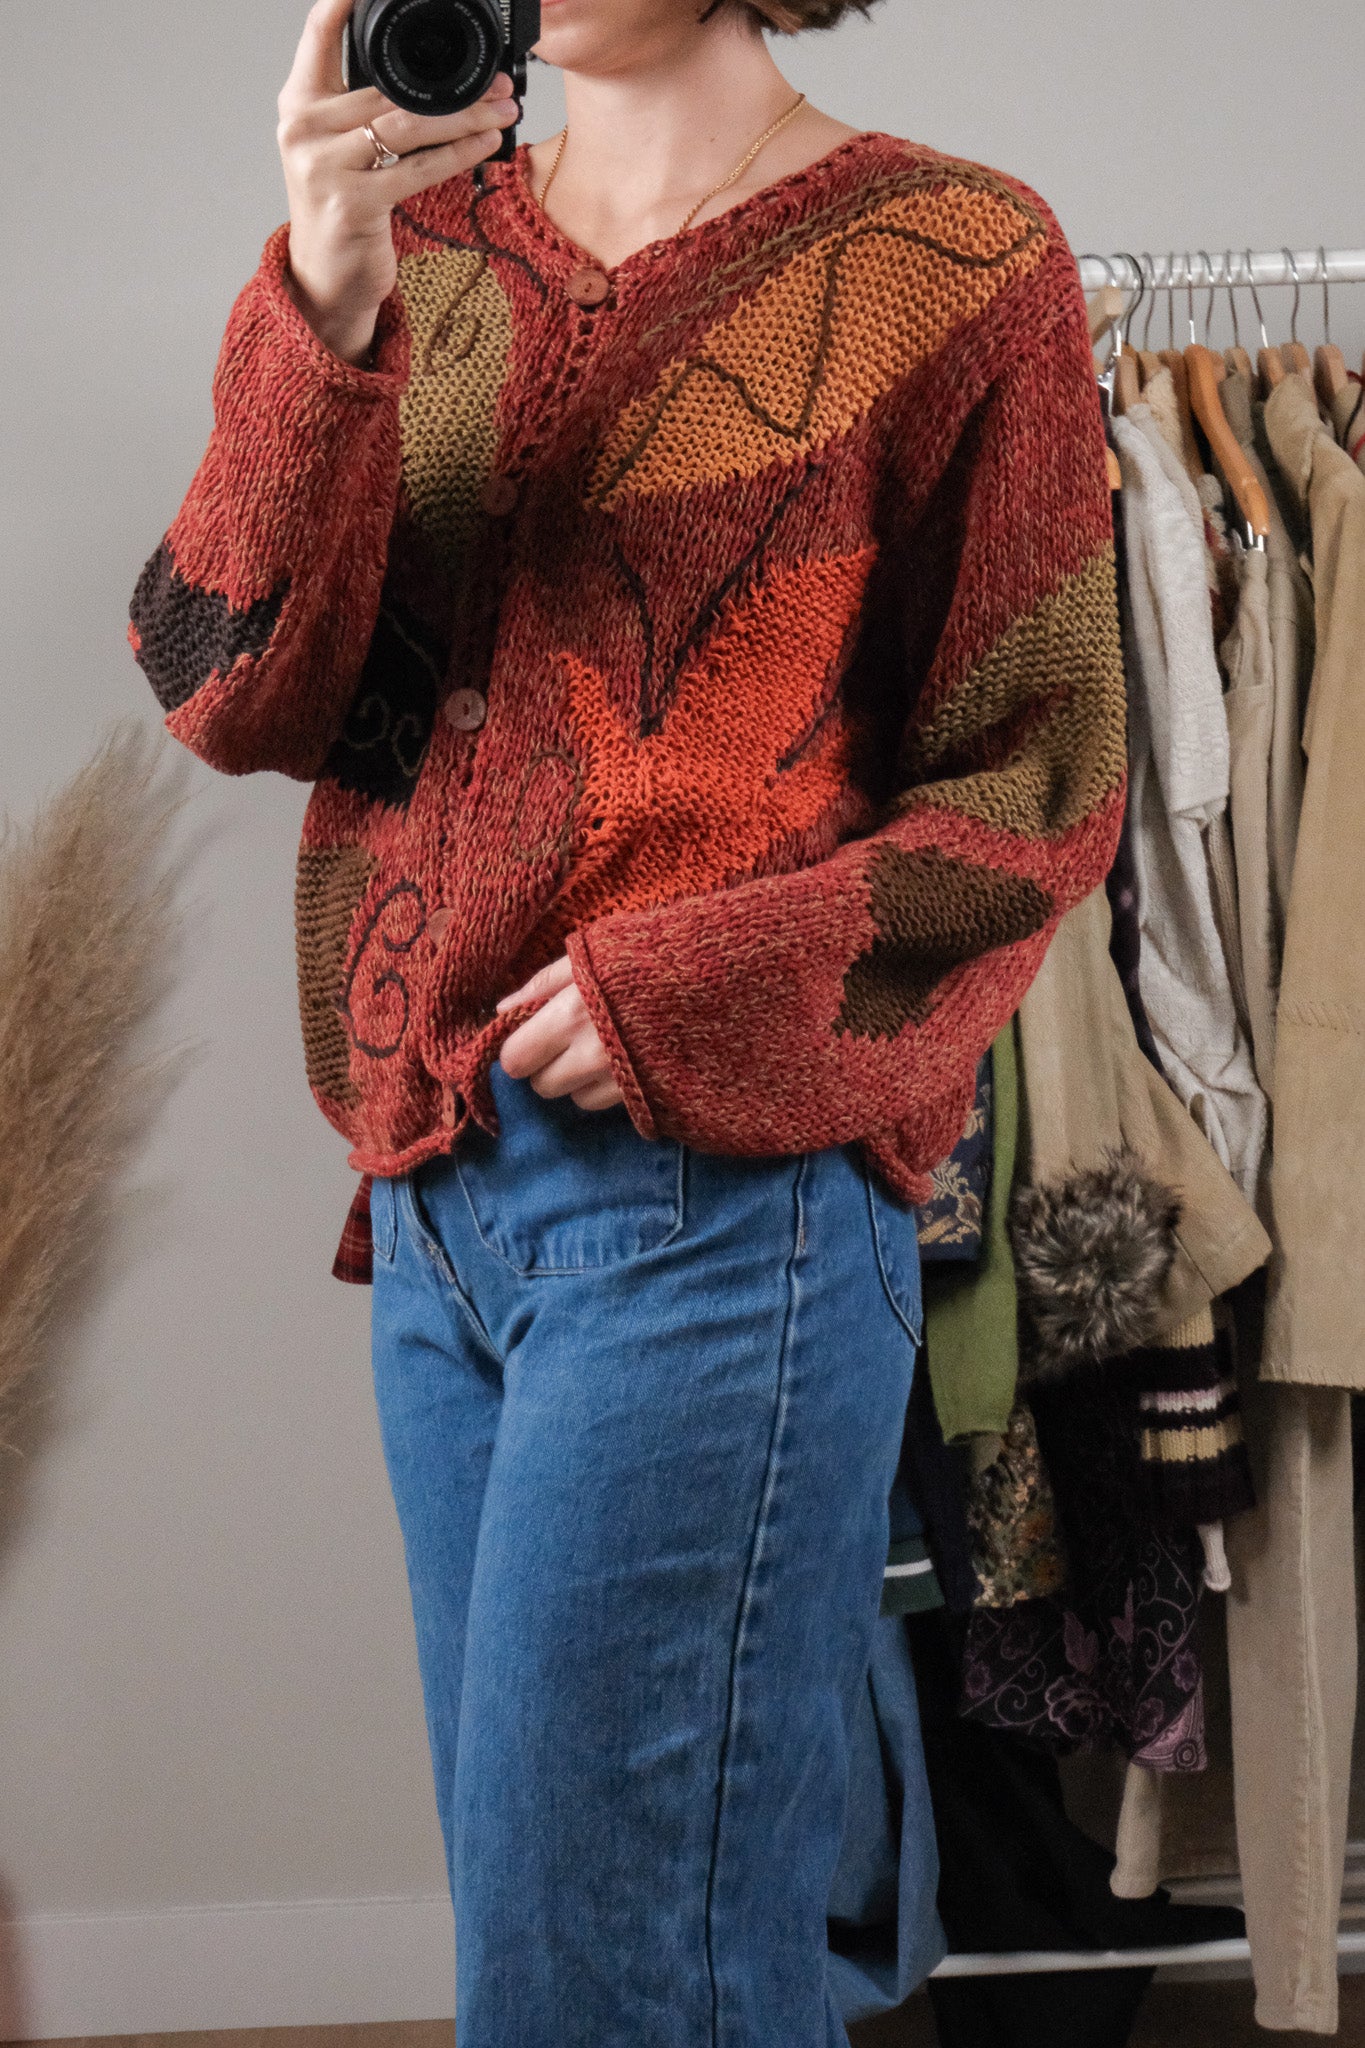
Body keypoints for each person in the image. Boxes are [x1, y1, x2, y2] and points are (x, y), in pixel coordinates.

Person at [127, 0, 1128, 2039]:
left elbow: (1038, 786)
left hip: (714, 1215)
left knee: (608, 1979)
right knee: (587, 1952)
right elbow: (226, 683)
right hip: (434, 1214)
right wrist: (320, 291)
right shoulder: (419, 249)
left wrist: (693, 986)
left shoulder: (955, 258)